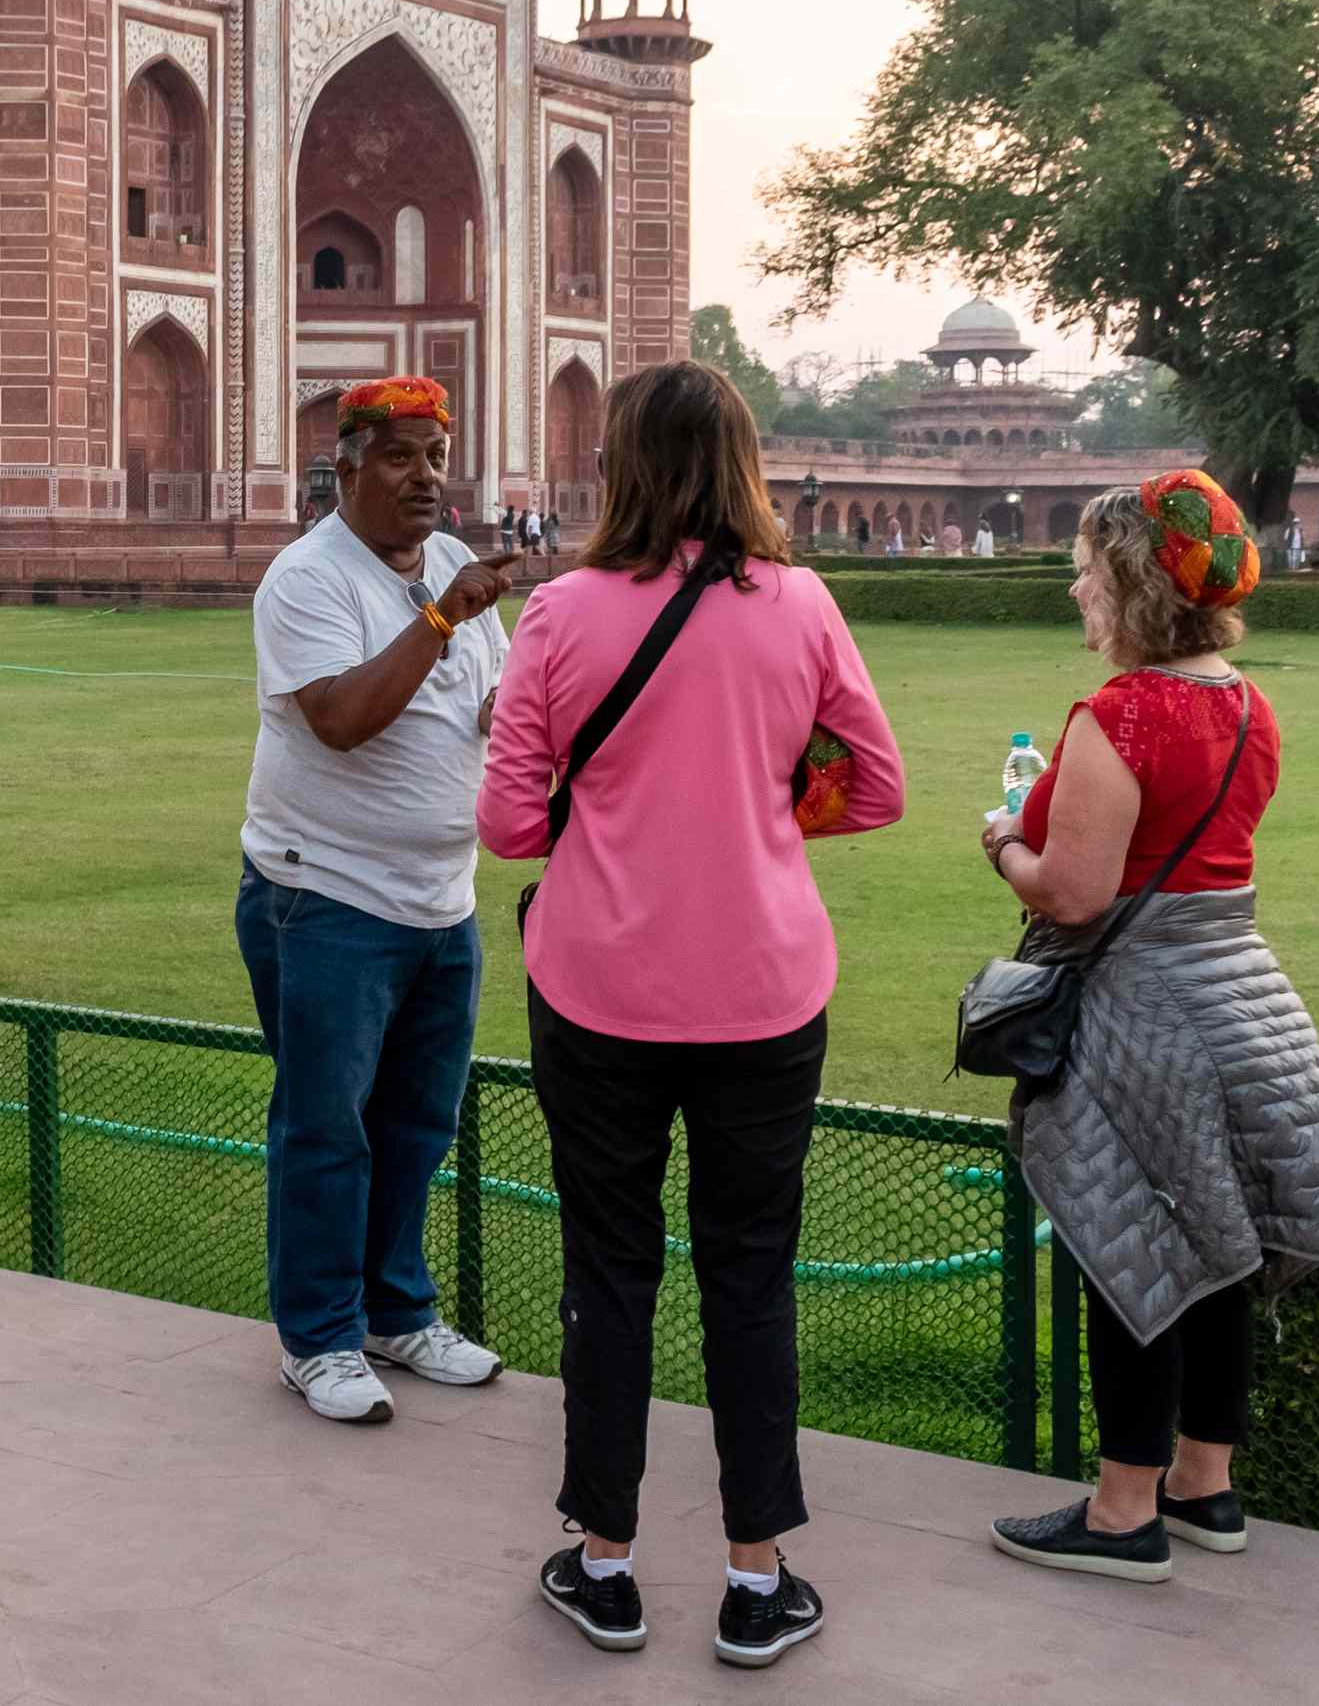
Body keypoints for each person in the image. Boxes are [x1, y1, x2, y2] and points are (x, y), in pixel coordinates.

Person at [481, 361, 906, 1669]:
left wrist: (611, 816)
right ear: (739, 465)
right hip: (762, 989)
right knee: (749, 1276)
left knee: (609, 1270)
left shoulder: (560, 612)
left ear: (618, 465)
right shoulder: (800, 603)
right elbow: (875, 786)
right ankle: (754, 1573)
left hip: (600, 985)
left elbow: (504, 825)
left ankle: (602, 1562)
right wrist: (766, 807)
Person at [980, 473, 1319, 1583]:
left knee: (1132, 1248)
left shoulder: (1122, 714)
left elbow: (1071, 893)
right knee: (1217, 1245)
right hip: (1244, 993)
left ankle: (1121, 1511)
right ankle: (1206, 1483)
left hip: (1141, 1010)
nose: (1075, 587)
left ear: (1135, 585)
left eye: (1090, 570)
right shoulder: (1248, 703)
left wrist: (1000, 838)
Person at [238, 374, 512, 1428]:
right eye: (399, 456)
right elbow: (343, 716)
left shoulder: (447, 562)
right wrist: (441, 618)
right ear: (344, 464)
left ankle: (397, 1311)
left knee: (415, 1123)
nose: (423, 477)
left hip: (440, 898)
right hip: (326, 897)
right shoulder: (306, 579)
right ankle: (318, 1336)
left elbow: (476, 706)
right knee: (325, 1127)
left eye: (435, 457)